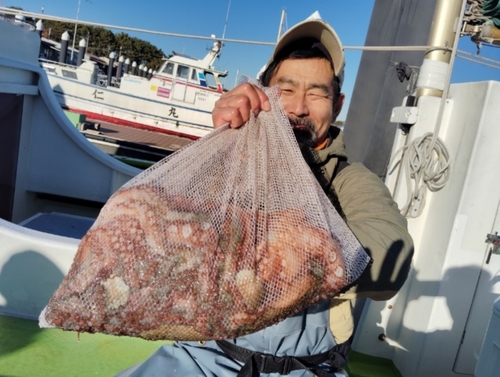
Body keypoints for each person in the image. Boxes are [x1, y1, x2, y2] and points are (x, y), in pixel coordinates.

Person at [116, 12, 413, 377]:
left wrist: (299, 248)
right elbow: (166, 228)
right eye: (285, 90)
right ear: (262, 93)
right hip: (208, 355)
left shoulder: (349, 179)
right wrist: (223, 139)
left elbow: (390, 251)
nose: (299, 107)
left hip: (309, 368)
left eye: (317, 93)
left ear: (337, 105)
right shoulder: (234, 158)